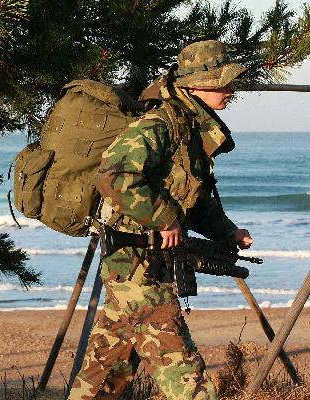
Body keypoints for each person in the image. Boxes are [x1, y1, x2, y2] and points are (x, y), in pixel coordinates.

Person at [68, 40, 254, 400]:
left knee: (103, 378)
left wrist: (228, 232)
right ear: (193, 85)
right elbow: (114, 176)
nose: (230, 90)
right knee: (187, 381)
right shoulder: (158, 126)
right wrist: (165, 218)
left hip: (144, 267)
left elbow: (192, 199)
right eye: (222, 83)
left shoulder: (191, 130)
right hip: (137, 268)